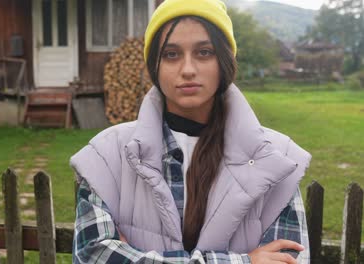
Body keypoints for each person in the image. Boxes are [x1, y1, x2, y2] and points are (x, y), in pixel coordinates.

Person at [70, 0, 312, 263]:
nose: (187, 70)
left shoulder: (276, 159)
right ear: (155, 66)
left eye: (204, 52)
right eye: (171, 54)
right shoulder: (107, 155)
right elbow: (91, 256)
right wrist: (245, 261)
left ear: (224, 61)